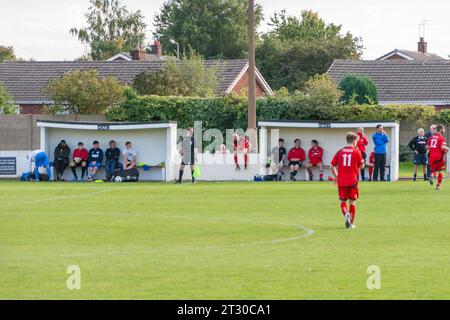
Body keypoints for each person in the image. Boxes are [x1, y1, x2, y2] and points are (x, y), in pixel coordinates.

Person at [331, 132, 365, 229]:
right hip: (353, 181)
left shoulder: (340, 151)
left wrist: (337, 176)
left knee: (343, 201)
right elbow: (362, 166)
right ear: (354, 141)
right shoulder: (356, 151)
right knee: (352, 202)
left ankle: (346, 213)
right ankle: (350, 224)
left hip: (341, 181)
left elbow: (332, 166)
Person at [427, 124, 449, 191]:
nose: (444, 130)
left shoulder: (431, 137)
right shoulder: (441, 138)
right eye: (443, 129)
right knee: (441, 171)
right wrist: (447, 148)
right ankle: (438, 186)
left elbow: (427, 147)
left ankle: (432, 175)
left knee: (434, 170)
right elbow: (442, 147)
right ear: (440, 130)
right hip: (439, 157)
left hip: (431, 157)